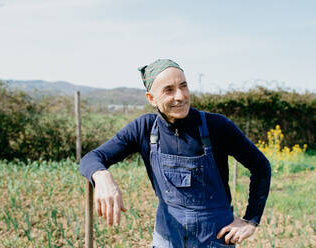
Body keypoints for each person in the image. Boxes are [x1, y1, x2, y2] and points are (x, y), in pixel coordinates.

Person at [79, 59, 271, 247]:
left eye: (184, 86)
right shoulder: (144, 129)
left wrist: (250, 220)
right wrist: (101, 175)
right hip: (167, 238)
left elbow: (261, 167)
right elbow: (92, 158)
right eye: (169, 90)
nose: (180, 96)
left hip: (214, 238)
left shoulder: (217, 126)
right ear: (151, 99)